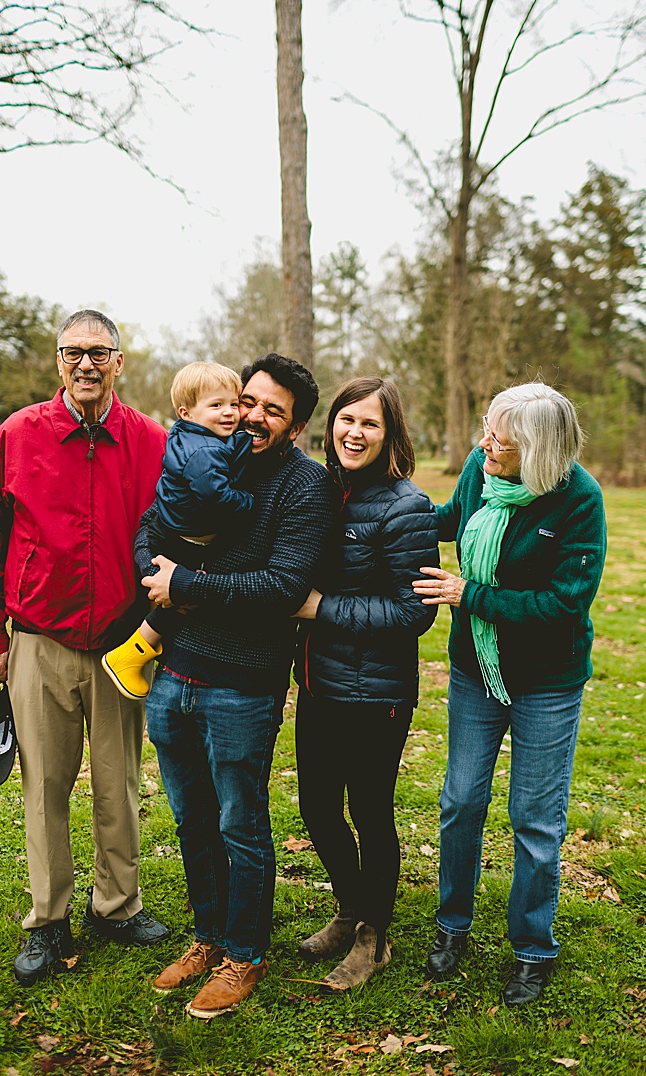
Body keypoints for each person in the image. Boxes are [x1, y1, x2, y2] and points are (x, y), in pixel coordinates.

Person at [0, 309, 170, 987]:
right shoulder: (19, 435)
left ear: (119, 361)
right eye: (73, 352)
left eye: (99, 353)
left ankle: (116, 906)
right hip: (38, 639)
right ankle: (49, 921)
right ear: (59, 361)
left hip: (122, 642)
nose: (87, 364)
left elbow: (175, 532)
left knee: (120, 784)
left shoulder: (148, 440)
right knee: (44, 786)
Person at [139, 352, 333, 1019]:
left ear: (297, 426)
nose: (251, 415)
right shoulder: (208, 453)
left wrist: (186, 585)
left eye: (271, 410)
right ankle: (207, 935)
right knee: (193, 819)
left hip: (242, 686)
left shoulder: (305, 487)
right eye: (247, 400)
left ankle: (244, 954)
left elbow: (283, 587)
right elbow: (150, 525)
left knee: (239, 825)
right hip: (174, 676)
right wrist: (153, 574)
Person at [412, 383, 606, 1007]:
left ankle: (531, 948)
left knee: (535, 821)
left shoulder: (579, 500)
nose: (483, 444)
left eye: (500, 437)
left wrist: (470, 595)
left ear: (541, 449)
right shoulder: (480, 468)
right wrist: (385, 510)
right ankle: (452, 925)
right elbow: (448, 518)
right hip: (476, 670)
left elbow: (563, 603)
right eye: (486, 428)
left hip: (547, 680)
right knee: (460, 801)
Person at [290, 377, 439, 989]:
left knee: (369, 812)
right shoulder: (327, 493)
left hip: (377, 693)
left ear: (390, 433)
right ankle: (349, 911)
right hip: (319, 684)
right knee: (317, 808)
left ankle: (374, 936)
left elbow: (414, 612)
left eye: (370, 424)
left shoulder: (408, 507)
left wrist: (320, 608)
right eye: (346, 420)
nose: (354, 432)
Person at [101, 361, 253, 699]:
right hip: (186, 540)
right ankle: (128, 655)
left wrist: (243, 440)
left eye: (233, 403)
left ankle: (131, 651)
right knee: (185, 600)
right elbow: (218, 496)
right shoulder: (204, 450)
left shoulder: (193, 436)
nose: (229, 413)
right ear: (186, 411)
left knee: (180, 598)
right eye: (216, 405)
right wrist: (248, 502)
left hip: (172, 530)